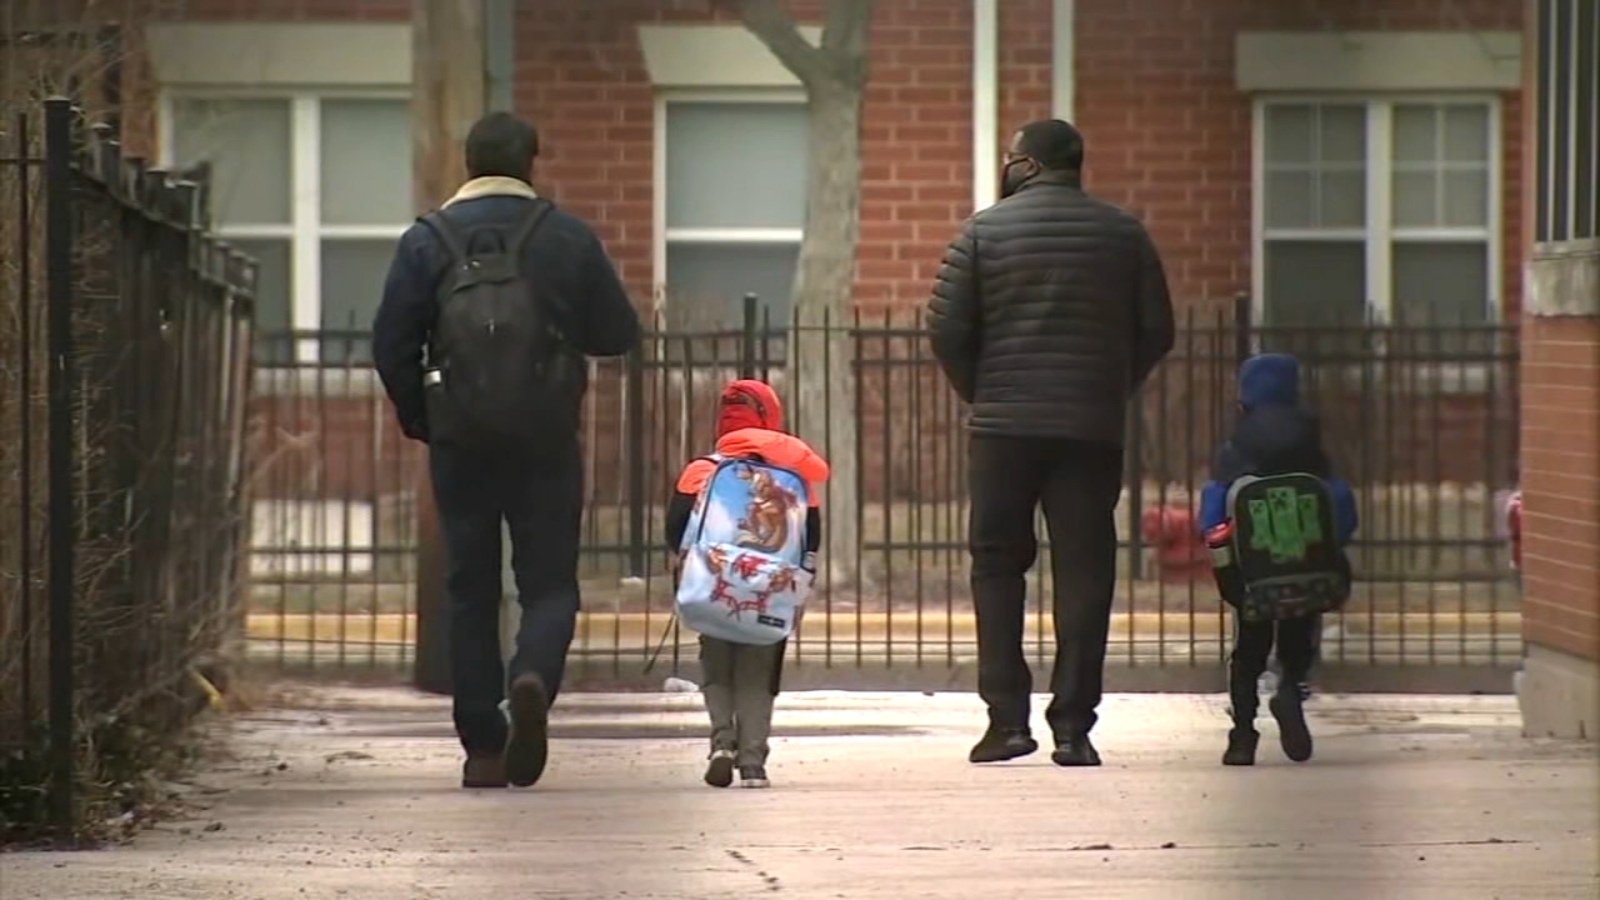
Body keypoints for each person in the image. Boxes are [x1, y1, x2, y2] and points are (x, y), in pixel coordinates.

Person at [372, 112, 640, 789]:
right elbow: (617, 333)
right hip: (546, 437)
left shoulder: (425, 241)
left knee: (470, 587)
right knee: (549, 582)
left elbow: (390, 344)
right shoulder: (565, 238)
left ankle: (483, 746)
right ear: (531, 161)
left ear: (467, 163)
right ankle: (532, 678)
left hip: (461, 441)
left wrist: (424, 417)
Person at [926, 119, 1175, 767]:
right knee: (1085, 570)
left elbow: (947, 329)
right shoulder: (1124, 235)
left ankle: (1006, 721)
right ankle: (1073, 728)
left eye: (1011, 159)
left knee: (998, 566)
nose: (1005, 167)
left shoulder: (983, 232)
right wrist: (1109, 387)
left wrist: (983, 391)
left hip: (1004, 429)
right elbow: (1158, 330)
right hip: (1089, 429)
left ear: (1028, 166)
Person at [665, 380, 828, 789]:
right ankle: (753, 761)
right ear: (770, 417)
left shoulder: (703, 469)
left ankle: (721, 743)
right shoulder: (794, 477)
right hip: (770, 589)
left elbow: (675, 531)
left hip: (713, 582)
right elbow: (811, 539)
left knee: (716, 665)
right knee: (759, 669)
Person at [1197, 353, 1358, 766]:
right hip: (1307, 575)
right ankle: (1290, 686)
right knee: (1297, 635)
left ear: (1242, 403)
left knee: (1248, 650)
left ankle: (1242, 734)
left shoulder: (1235, 451)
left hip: (1253, 579)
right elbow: (1342, 513)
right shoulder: (1312, 446)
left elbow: (1212, 518)